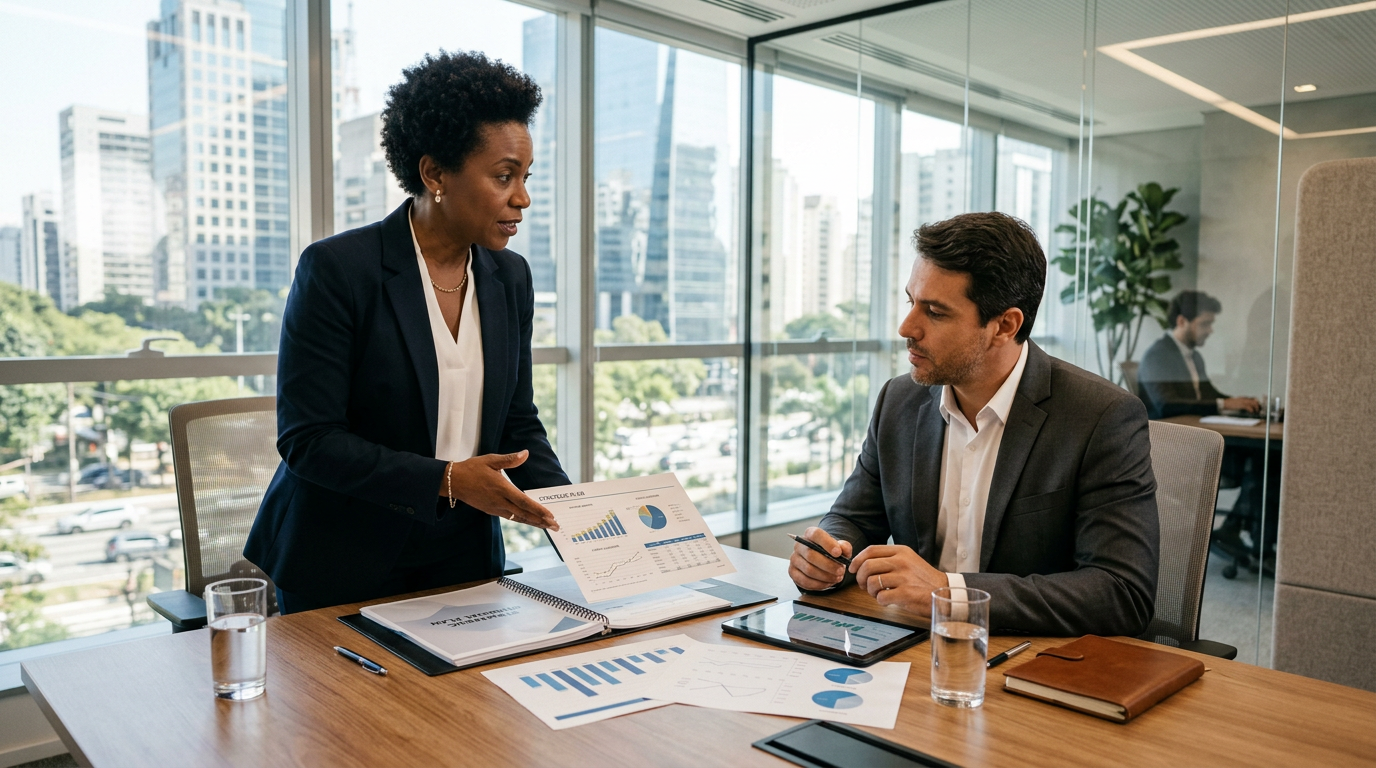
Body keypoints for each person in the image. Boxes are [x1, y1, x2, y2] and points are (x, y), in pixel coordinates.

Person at [245, 51, 568, 614]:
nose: (523, 198)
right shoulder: (339, 269)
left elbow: (517, 423)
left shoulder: (510, 276)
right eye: (503, 176)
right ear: (435, 173)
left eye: (525, 177)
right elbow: (310, 439)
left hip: (464, 558)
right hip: (341, 560)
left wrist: (576, 518)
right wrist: (447, 479)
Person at [788, 212, 1159, 637]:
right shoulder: (899, 401)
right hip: (911, 647)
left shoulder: (1101, 417)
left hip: (1027, 662)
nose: (907, 327)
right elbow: (854, 517)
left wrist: (948, 592)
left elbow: (1122, 591)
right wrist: (827, 553)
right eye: (911, 301)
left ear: (1005, 325)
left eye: (935, 312)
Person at [1137, 290, 1260, 419]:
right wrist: (1225, 404)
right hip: (1166, 434)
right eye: (1205, 324)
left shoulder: (1195, 356)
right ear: (1181, 321)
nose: (1210, 330)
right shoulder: (1157, 356)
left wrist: (1239, 402)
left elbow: (1208, 394)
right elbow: (1166, 405)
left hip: (1191, 427)